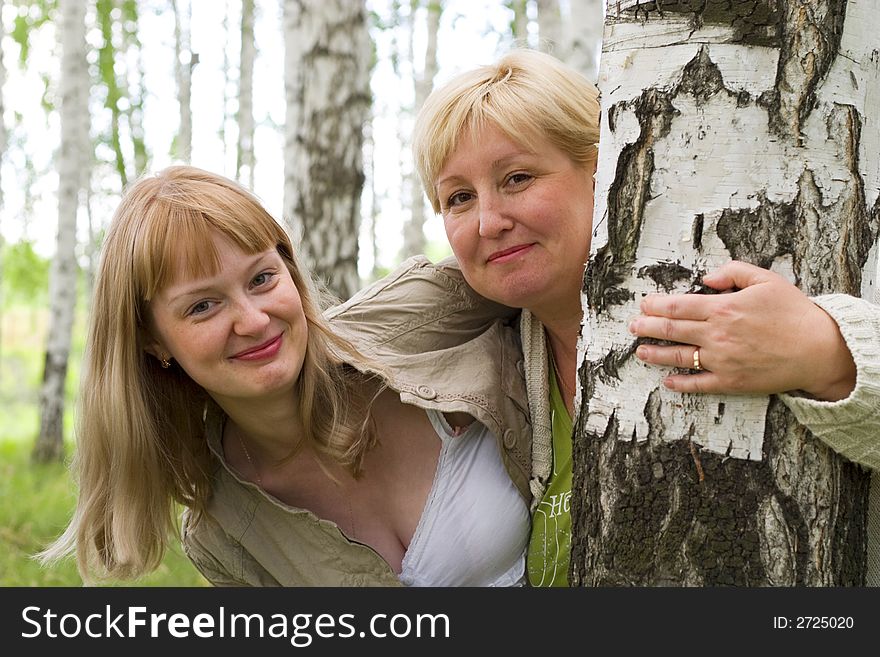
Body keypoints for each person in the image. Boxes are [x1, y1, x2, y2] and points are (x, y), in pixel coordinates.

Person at [409, 48, 880, 586]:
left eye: (517, 178)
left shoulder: (736, 278)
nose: (489, 222)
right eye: (460, 197)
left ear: (606, 166)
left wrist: (831, 353)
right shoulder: (491, 375)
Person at [40, 165, 531, 587]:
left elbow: (565, 281)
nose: (253, 320)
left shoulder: (420, 313)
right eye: (203, 306)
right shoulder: (225, 535)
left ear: (291, 272)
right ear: (153, 341)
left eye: (261, 278)